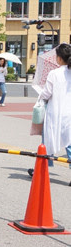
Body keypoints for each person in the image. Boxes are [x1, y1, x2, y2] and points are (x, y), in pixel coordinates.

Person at [28, 43, 71, 181]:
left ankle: (41, 170)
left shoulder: (54, 73)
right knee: (69, 143)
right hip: (69, 113)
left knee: (47, 141)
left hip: (55, 112)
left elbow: (46, 94)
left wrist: (41, 94)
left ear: (59, 58)